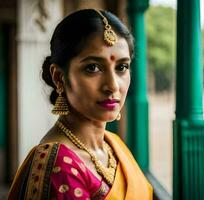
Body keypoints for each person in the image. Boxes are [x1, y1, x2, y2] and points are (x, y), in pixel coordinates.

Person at [8, 9, 153, 199]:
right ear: (59, 77)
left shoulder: (113, 144)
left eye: (121, 67)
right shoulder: (60, 167)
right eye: (93, 68)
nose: (112, 86)